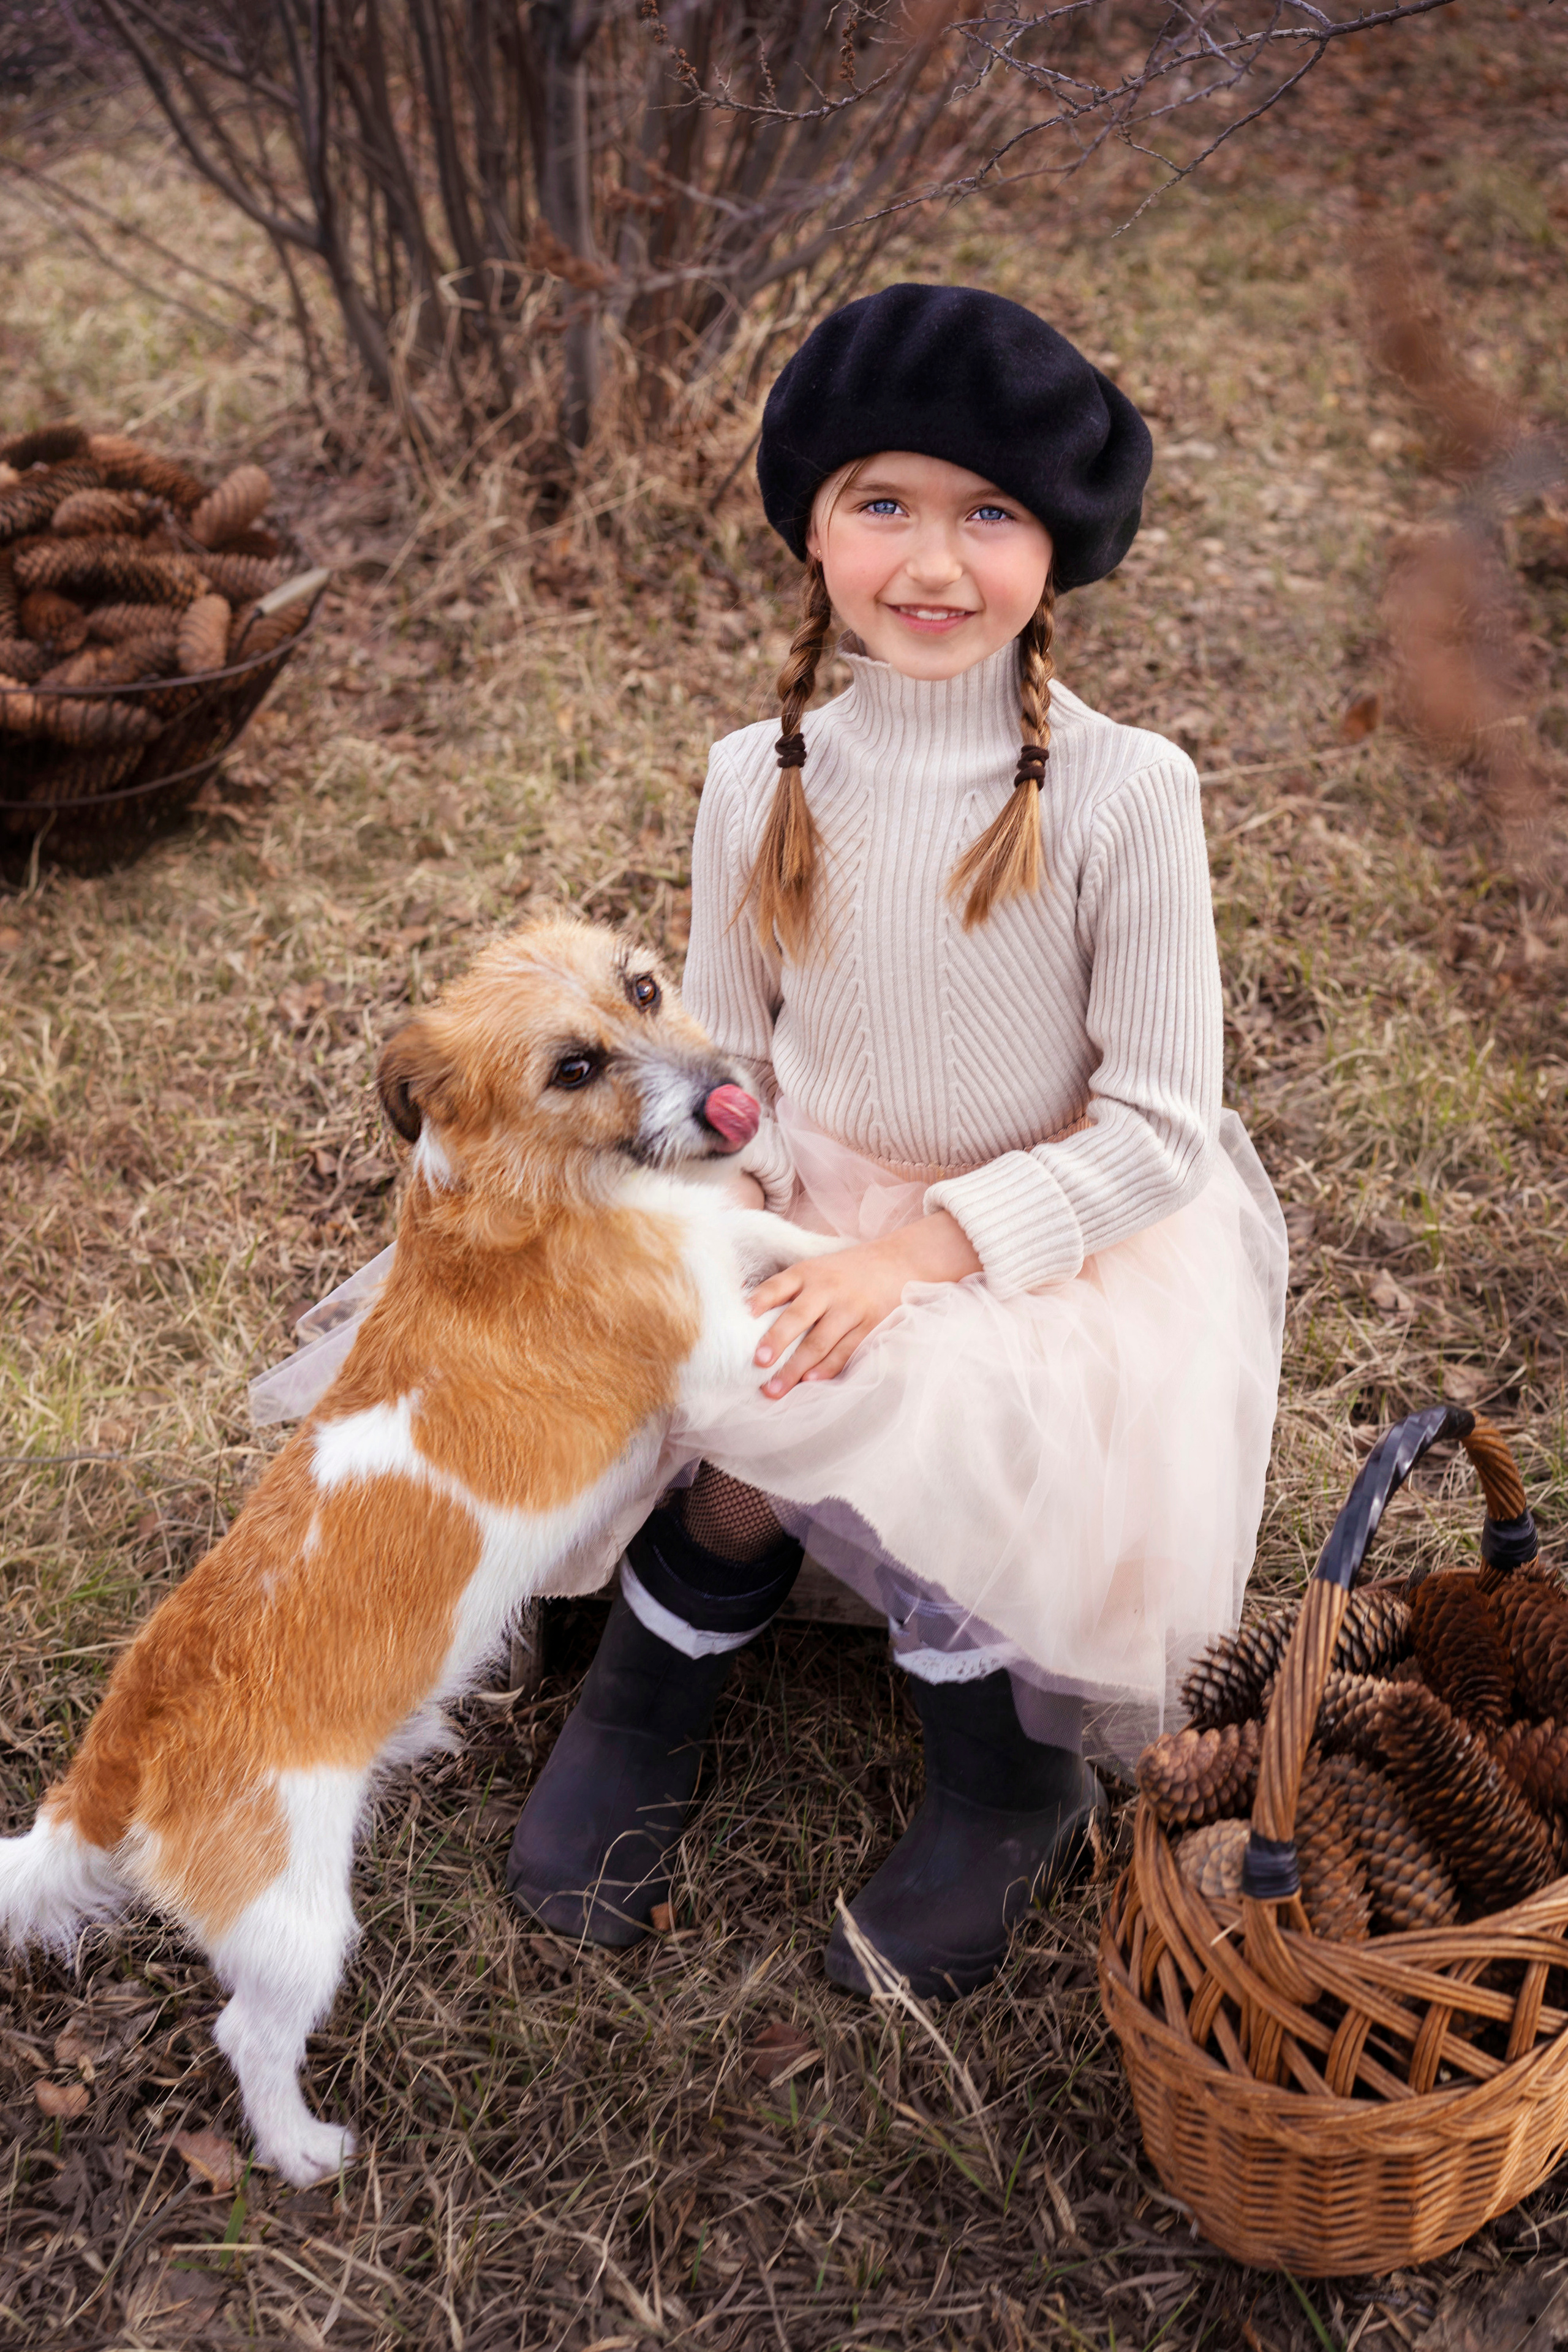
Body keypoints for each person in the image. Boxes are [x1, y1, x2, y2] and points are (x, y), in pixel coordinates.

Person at [506, 282, 1287, 1999]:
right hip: (818, 1194)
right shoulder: (758, 775)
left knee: (904, 1395)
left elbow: (1159, 1129)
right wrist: (730, 1211)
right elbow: (733, 1069)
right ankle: (649, 1688)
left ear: (1056, 546)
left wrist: (915, 1258)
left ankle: (1007, 1776)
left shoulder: (1124, 794)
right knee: (675, 1346)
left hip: (1043, 1238)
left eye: (988, 514)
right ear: (816, 528)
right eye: (886, 505)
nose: (933, 563)